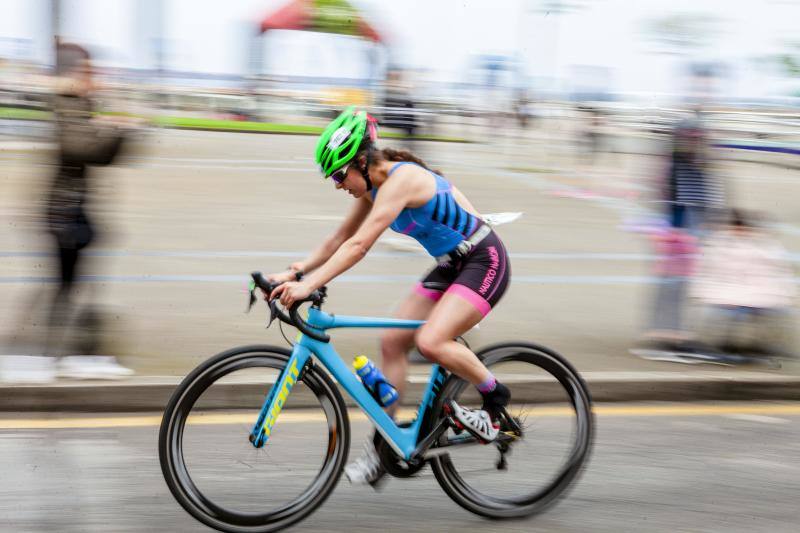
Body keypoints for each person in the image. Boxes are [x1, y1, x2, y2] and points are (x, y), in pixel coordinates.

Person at [267, 106, 512, 485]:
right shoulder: (373, 186)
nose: (336, 184)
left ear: (361, 162)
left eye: (338, 174)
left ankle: (495, 399)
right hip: (451, 265)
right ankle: (386, 447)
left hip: (484, 260)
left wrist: (309, 286)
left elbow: (361, 245)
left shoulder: (402, 180)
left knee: (431, 341)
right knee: (392, 341)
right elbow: (340, 239)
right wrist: (295, 271)